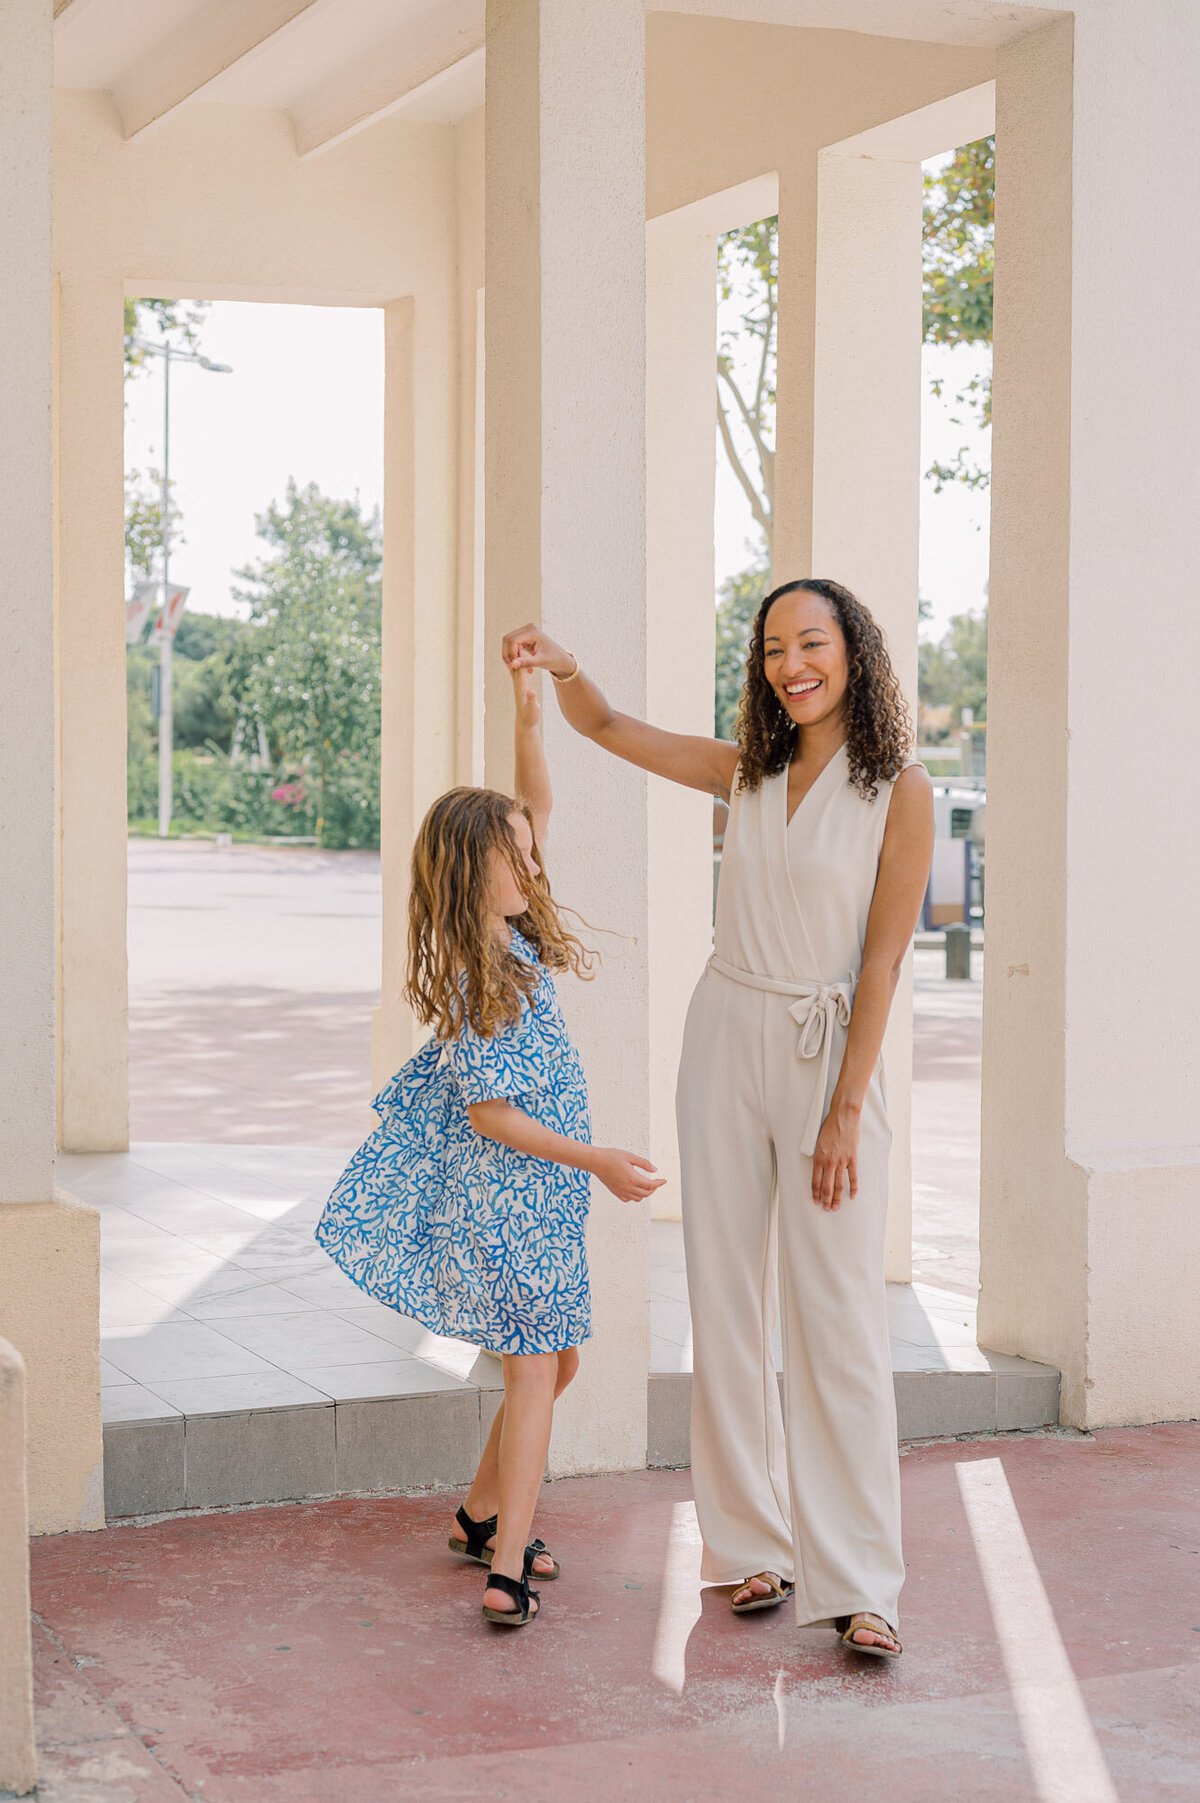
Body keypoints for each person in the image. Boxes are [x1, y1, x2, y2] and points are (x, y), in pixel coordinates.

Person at [503, 579, 934, 1658]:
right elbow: (607, 728)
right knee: (725, 1298)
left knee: (836, 1315)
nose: (794, 663)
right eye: (775, 645)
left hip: (826, 1048)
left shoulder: (901, 788)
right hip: (726, 1032)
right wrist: (563, 669)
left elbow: (882, 961)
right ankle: (748, 1546)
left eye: (814, 642)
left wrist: (845, 1112)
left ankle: (863, 1581)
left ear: (854, 653)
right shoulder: (745, 769)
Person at [315, 664, 663, 1627]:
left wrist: (526, 710)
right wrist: (599, 1158)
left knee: (559, 1363)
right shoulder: (479, 976)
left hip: (543, 1198)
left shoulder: (512, 935)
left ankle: (477, 1514)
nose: (537, 863)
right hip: (508, 1192)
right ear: (478, 873)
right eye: (519, 855)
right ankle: (506, 1563)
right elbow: (490, 1117)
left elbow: (537, 801)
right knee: (535, 1366)